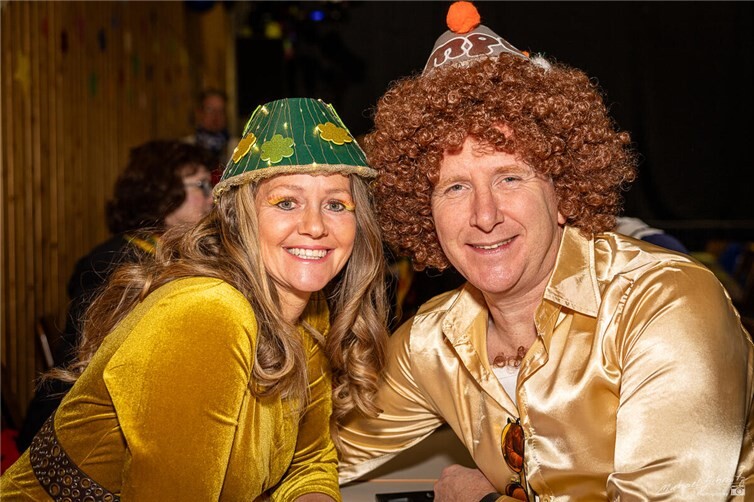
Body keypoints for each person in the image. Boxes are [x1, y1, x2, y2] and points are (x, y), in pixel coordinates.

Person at [338, 2, 753, 501]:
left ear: (564, 192)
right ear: (424, 212)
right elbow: (318, 455)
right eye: (455, 187)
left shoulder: (663, 304)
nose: (484, 215)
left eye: (510, 178)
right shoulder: (433, 342)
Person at [1, 97, 388, 500]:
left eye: (336, 205)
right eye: (286, 202)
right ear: (240, 218)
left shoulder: (311, 311)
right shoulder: (207, 313)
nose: (315, 226)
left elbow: (308, 462)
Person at [14, 140, 215, 453]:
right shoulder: (112, 261)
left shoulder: (173, 250)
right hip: (71, 437)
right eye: (201, 185)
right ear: (162, 191)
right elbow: (91, 368)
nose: (211, 196)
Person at [183, 88, 240, 177]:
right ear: (199, 113)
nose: (216, 116)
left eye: (221, 111)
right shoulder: (186, 147)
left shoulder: (237, 147)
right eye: (210, 110)